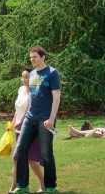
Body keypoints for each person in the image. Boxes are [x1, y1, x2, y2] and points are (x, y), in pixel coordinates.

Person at [13, 46, 61, 194]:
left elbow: (56, 97)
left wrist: (51, 118)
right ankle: (22, 186)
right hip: (30, 118)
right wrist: (22, 119)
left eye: (35, 56)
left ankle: (51, 186)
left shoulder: (52, 73)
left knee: (46, 153)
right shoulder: (32, 73)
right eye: (31, 57)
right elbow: (32, 98)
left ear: (43, 57)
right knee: (21, 149)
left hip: (45, 119)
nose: (32, 59)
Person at [10, 69, 44, 194]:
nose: (25, 80)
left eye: (28, 77)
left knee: (19, 158)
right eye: (23, 77)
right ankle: (37, 184)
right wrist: (13, 122)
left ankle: (16, 187)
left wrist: (21, 122)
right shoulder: (21, 90)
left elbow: (29, 110)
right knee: (27, 159)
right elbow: (17, 109)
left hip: (29, 128)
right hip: (18, 129)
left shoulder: (34, 92)